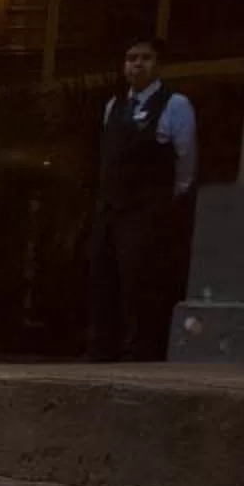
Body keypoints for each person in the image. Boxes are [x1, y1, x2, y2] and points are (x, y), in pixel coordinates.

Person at [89, 40, 197, 362]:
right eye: (131, 58)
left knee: (141, 280)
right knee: (104, 277)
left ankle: (141, 350)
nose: (137, 65)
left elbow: (186, 159)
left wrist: (167, 199)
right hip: (112, 207)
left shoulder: (175, 105)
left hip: (148, 210)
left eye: (145, 58)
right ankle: (103, 348)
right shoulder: (114, 106)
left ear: (158, 64)